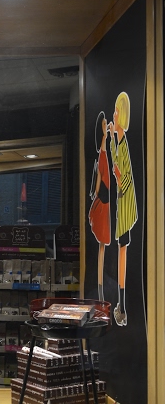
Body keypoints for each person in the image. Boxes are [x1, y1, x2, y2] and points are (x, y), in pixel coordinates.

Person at [109, 92, 137, 326]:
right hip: (122, 203)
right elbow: (116, 163)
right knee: (121, 250)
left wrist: (118, 176)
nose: (114, 115)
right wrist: (110, 137)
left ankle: (123, 305)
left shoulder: (124, 143)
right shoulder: (118, 141)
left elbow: (125, 177)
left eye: (116, 112)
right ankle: (122, 303)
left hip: (126, 205)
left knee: (122, 250)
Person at [88, 111, 111, 301]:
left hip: (104, 203)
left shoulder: (103, 155)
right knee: (102, 244)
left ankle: (101, 287)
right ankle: (101, 287)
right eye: (104, 124)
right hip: (104, 205)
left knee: (102, 245)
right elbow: (99, 185)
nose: (107, 125)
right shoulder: (103, 155)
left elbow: (97, 186)